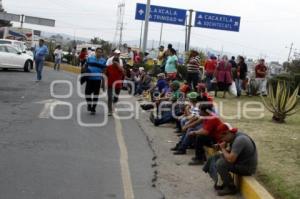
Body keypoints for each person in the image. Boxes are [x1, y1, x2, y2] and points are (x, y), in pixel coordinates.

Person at [203, 123, 257, 196]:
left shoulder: (240, 140)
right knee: (215, 157)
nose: (222, 140)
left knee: (221, 163)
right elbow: (231, 152)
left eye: (222, 138)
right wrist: (220, 147)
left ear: (227, 133)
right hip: (240, 162)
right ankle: (220, 182)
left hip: (246, 168)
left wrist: (222, 148)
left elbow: (231, 159)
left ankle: (230, 187)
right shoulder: (234, 136)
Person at [85, 48, 107, 114]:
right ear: (95, 52)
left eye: (100, 52)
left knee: (96, 95)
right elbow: (85, 66)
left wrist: (103, 83)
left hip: (97, 80)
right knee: (87, 93)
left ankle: (93, 109)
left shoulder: (103, 61)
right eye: (98, 52)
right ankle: (89, 104)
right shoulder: (90, 58)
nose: (99, 53)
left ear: (102, 53)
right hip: (89, 79)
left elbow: (104, 72)